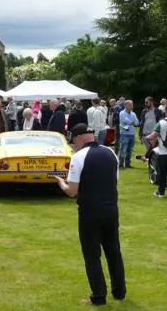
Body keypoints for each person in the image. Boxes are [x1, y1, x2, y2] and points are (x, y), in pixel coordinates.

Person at [56, 123, 126, 306]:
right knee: (113, 251)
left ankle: (99, 296)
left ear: (78, 138)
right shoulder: (111, 153)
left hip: (90, 211)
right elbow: (114, 180)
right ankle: (119, 292)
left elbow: (72, 191)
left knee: (92, 254)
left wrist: (61, 183)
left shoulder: (78, 157)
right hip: (111, 209)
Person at [117, 101, 139, 169]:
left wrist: (131, 122)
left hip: (132, 134)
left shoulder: (133, 113)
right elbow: (125, 121)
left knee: (130, 150)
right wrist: (132, 122)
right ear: (126, 105)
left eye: (132, 105)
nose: (131, 107)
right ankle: (120, 164)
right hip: (124, 134)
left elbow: (137, 122)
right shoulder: (122, 113)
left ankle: (127, 164)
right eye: (130, 105)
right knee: (123, 149)